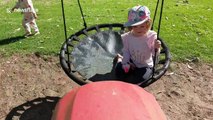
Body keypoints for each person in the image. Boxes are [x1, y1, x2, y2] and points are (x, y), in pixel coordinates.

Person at [115, 5, 161, 84]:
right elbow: (126, 51)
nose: (138, 29)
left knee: (139, 79)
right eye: (135, 26)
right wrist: (125, 63)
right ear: (131, 26)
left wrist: (157, 47)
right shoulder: (127, 37)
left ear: (147, 24)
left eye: (142, 26)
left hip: (145, 65)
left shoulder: (150, 36)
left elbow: (154, 53)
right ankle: (119, 60)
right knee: (118, 72)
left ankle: (125, 64)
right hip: (132, 62)